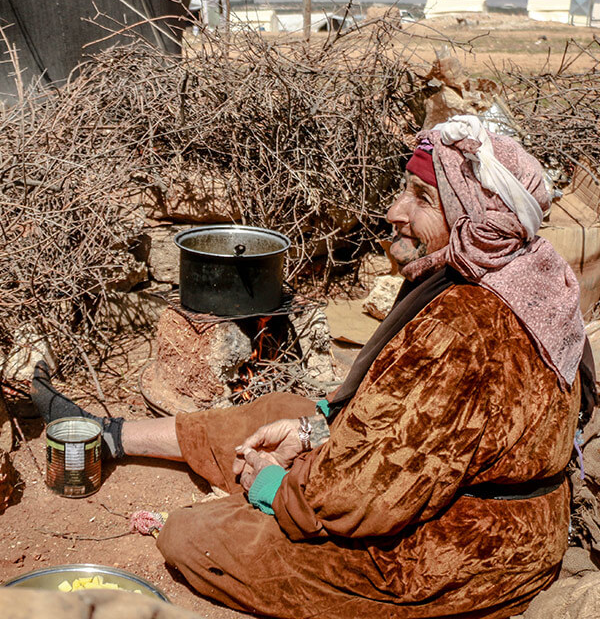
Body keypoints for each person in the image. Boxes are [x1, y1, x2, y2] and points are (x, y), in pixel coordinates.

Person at [32, 114, 593, 619]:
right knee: (284, 410)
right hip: (441, 491)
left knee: (193, 533)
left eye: (421, 197)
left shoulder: (463, 329)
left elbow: (365, 499)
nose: (395, 211)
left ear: (474, 217)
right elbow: (416, 426)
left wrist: (276, 489)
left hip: (459, 556)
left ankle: (238, 496)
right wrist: (313, 430)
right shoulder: (529, 273)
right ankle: (112, 436)